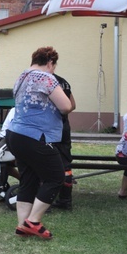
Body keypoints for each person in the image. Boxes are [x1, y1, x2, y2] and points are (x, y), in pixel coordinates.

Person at [5, 46, 72, 240]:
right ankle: (33, 222)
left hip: (15, 134)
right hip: (35, 135)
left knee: (29, 179)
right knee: (56, 177)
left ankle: (21, 226)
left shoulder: (22, 76)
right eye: (54, 66)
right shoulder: (46, 78)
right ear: (50, 63)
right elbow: (66, 106)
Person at [51, 73, 76, 211]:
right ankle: (65, 200)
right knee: (65, 163)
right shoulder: (64, 81)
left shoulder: (46, 81)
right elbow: (72, 105)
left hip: (49, 127)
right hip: (64, 126)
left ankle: (44, 201)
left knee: (44, 161)